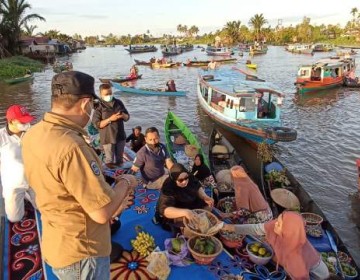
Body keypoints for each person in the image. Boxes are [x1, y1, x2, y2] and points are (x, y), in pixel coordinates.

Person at [22, 71, 138, 279]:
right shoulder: (72, 147)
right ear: (85, 104)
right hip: (83, 253)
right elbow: (102, 213)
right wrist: (126, 181)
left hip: (56, 238)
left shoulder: (33, 134)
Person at [222, 211, 329, 280]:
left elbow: (301, 277)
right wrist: (230, 227)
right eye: (277, 220)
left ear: (287, 230)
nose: (275, 223)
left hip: (317, 274)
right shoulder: (279, 227)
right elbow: (257, 228)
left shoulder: (295, 258)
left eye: (279, 223)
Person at [0, 105, 36, 222]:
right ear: (12, 121)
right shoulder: (1, 137)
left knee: (44, 208)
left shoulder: (32, 132)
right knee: (14, 218)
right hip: (14, 185)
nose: (27, 124)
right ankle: (23, 197)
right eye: (22, 121)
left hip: (34, 180)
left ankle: (29, 197)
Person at [155, 163, 214, 233]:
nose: (184, 181)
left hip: (189, 202)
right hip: (176, 208)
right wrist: (185, 212)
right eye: (180, 180)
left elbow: (197, 186)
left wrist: (204, 196)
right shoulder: (168, 186)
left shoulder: (189, 176)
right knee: (190, 228)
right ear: (174, 179)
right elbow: (164, 209)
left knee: (208, 207)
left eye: (186, 178)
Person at [92, 83, 130, 168]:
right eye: (106, 94)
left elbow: (127, 117)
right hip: (108, 138)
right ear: (101, 94)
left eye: (110, 93)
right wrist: (110, 119)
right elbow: (97, 124)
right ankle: (110, 177)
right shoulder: (99, 106)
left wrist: (123, 115)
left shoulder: (118, 103)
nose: (109, 95)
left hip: (120, 136)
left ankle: (120, 173)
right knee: (109, 161)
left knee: (120, 160)